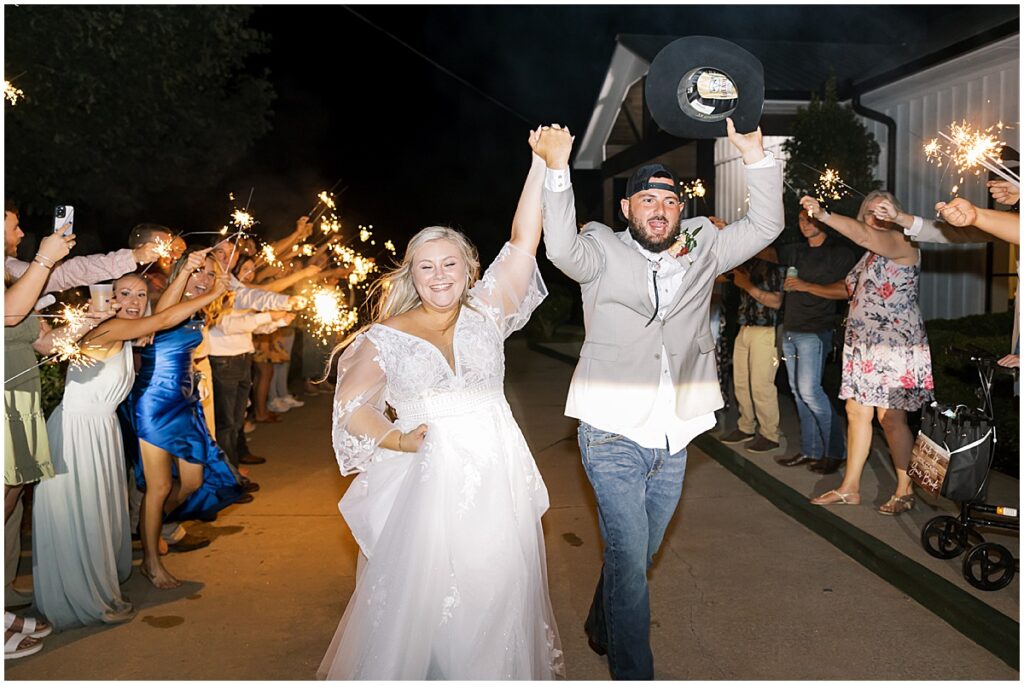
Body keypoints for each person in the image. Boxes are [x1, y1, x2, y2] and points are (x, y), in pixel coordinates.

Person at [537, 119, 783, 679]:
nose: (659, 207)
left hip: (676, 432)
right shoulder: (601, 246)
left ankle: (603, 623)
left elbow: (767, 222)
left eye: (668, 199)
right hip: (612, 431)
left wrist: (756, 157)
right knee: (629, 559)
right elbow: (561, 250)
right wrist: (557, 170)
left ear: (680, 208)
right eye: (646, 199)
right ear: (628, 211)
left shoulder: (704, 243)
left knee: (638, 555)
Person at [318, 130, 562, 680]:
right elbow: (353, 409)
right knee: (435, 601)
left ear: (469, 268)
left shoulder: (488, 313)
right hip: (428, 482)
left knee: (497, 587)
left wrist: (539, 163)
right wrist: (400, 439)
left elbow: (525, 239)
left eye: (449, 264)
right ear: (411, 275)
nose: (439, 277)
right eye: (426, 267)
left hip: (497, 475)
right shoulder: (385, 337)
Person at [31, 272, 225, 629]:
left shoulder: (128, 332)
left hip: (100, 430)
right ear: (108, 296)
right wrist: (213, 292)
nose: (134, 301)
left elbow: (161, 314)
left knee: (98, 513)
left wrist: (182, 277)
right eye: (124, 293)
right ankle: (84, 595)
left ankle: (97, 581)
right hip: (79, 431)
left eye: (140, 294)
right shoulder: (110, 328)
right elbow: (165, 318)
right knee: (83, 513)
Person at [800, 193, 933, 515]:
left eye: (882, 211)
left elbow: (863, 234)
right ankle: (850, 488)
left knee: (892, 419)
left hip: (895, 346)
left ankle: (905, 489)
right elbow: (849, 290)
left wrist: (825, 215)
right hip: (863, 346)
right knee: (856, 412)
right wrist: (805, 287)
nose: (875, 217)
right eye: (869, 212)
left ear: (895, 214)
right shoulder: (869, 256)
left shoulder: (900, 242)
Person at [131, 249, 246, 588]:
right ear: (182, 272)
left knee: (193, 481)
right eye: (197, 272)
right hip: (153, 400)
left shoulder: (200, 309)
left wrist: (196, 376)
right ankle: (151, 562)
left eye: (210, 275)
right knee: (160, 485)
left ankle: (149, 526)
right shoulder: (159, 300)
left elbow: (181, 350)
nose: (204, 280)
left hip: (185, 400)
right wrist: (187, 276)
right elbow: (163, 319)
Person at [774, 209, 859, 474]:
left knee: (811, 392)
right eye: (801, 219)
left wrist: (804, 285)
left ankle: (835, 451)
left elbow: (847, 290)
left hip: (815, 331)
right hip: (790, 329)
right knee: (799, 394)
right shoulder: (796, 251)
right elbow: (765, 251)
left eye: (811, 218)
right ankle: (810, 451)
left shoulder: (839, 253)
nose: (805, 223)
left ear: (823, 219)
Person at [719, 254, 784, 453]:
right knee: (740, 382)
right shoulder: (747, 263)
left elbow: (776, 302)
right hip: (744, 328)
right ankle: (746, 426)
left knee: (761, 385)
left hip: (766, 330)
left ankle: (769, 434)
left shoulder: (776, 264)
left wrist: (746, 285)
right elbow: (720, 276)